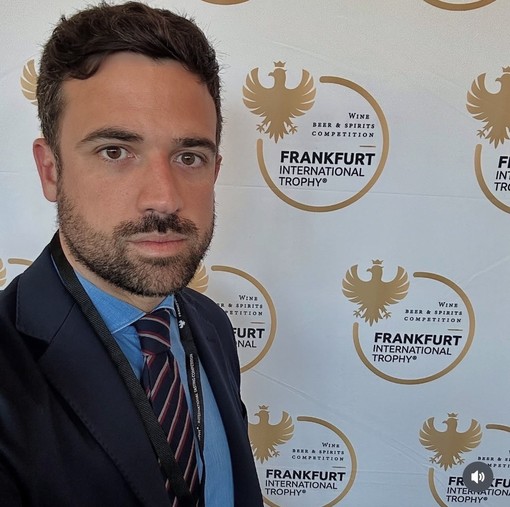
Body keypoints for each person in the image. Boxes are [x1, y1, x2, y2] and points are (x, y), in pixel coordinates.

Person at [0, 2, 263, 506]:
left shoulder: (210, 323)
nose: (164, 198)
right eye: (115, 151)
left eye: (189, 157)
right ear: (51, 170)